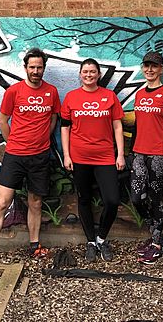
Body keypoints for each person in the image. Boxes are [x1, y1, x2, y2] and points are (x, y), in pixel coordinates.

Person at [0, 48, 61, 262]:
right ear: (25, 68)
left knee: (36, 202)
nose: (36, 71)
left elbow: (54, 118)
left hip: (39, 156)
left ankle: (34, 245)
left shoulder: (52, 92)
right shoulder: (14, 91)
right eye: (32, 67)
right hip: (14, 156)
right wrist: (13, 143)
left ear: (43, 68)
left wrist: (43, 139)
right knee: (2, 202)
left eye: (39, 67)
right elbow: (2, 120)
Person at [60, 58, 125, 262]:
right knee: (84, 199)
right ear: (80, 74)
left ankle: (101, 238)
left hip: (105, 156)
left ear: (98, 74)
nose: (89, 75)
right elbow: (65, 128)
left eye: (92, 72)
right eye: (85, 71)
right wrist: (67, 154)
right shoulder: (71, 97)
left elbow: (117, 126)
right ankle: (90, 242)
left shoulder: (109, 96)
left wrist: (120, 154)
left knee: (112, 200)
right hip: (79, 157)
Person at [130, 51, 163, 264]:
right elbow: (138, 125)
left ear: (161, 69)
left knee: (155, 197)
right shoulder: (139, 95)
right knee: (136, 197)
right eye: (146, 66)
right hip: (140, 152)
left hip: (159, 154)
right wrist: (131, 151)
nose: (149, 70)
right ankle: (158, 232)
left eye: (154, 66)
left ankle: (157, 244)